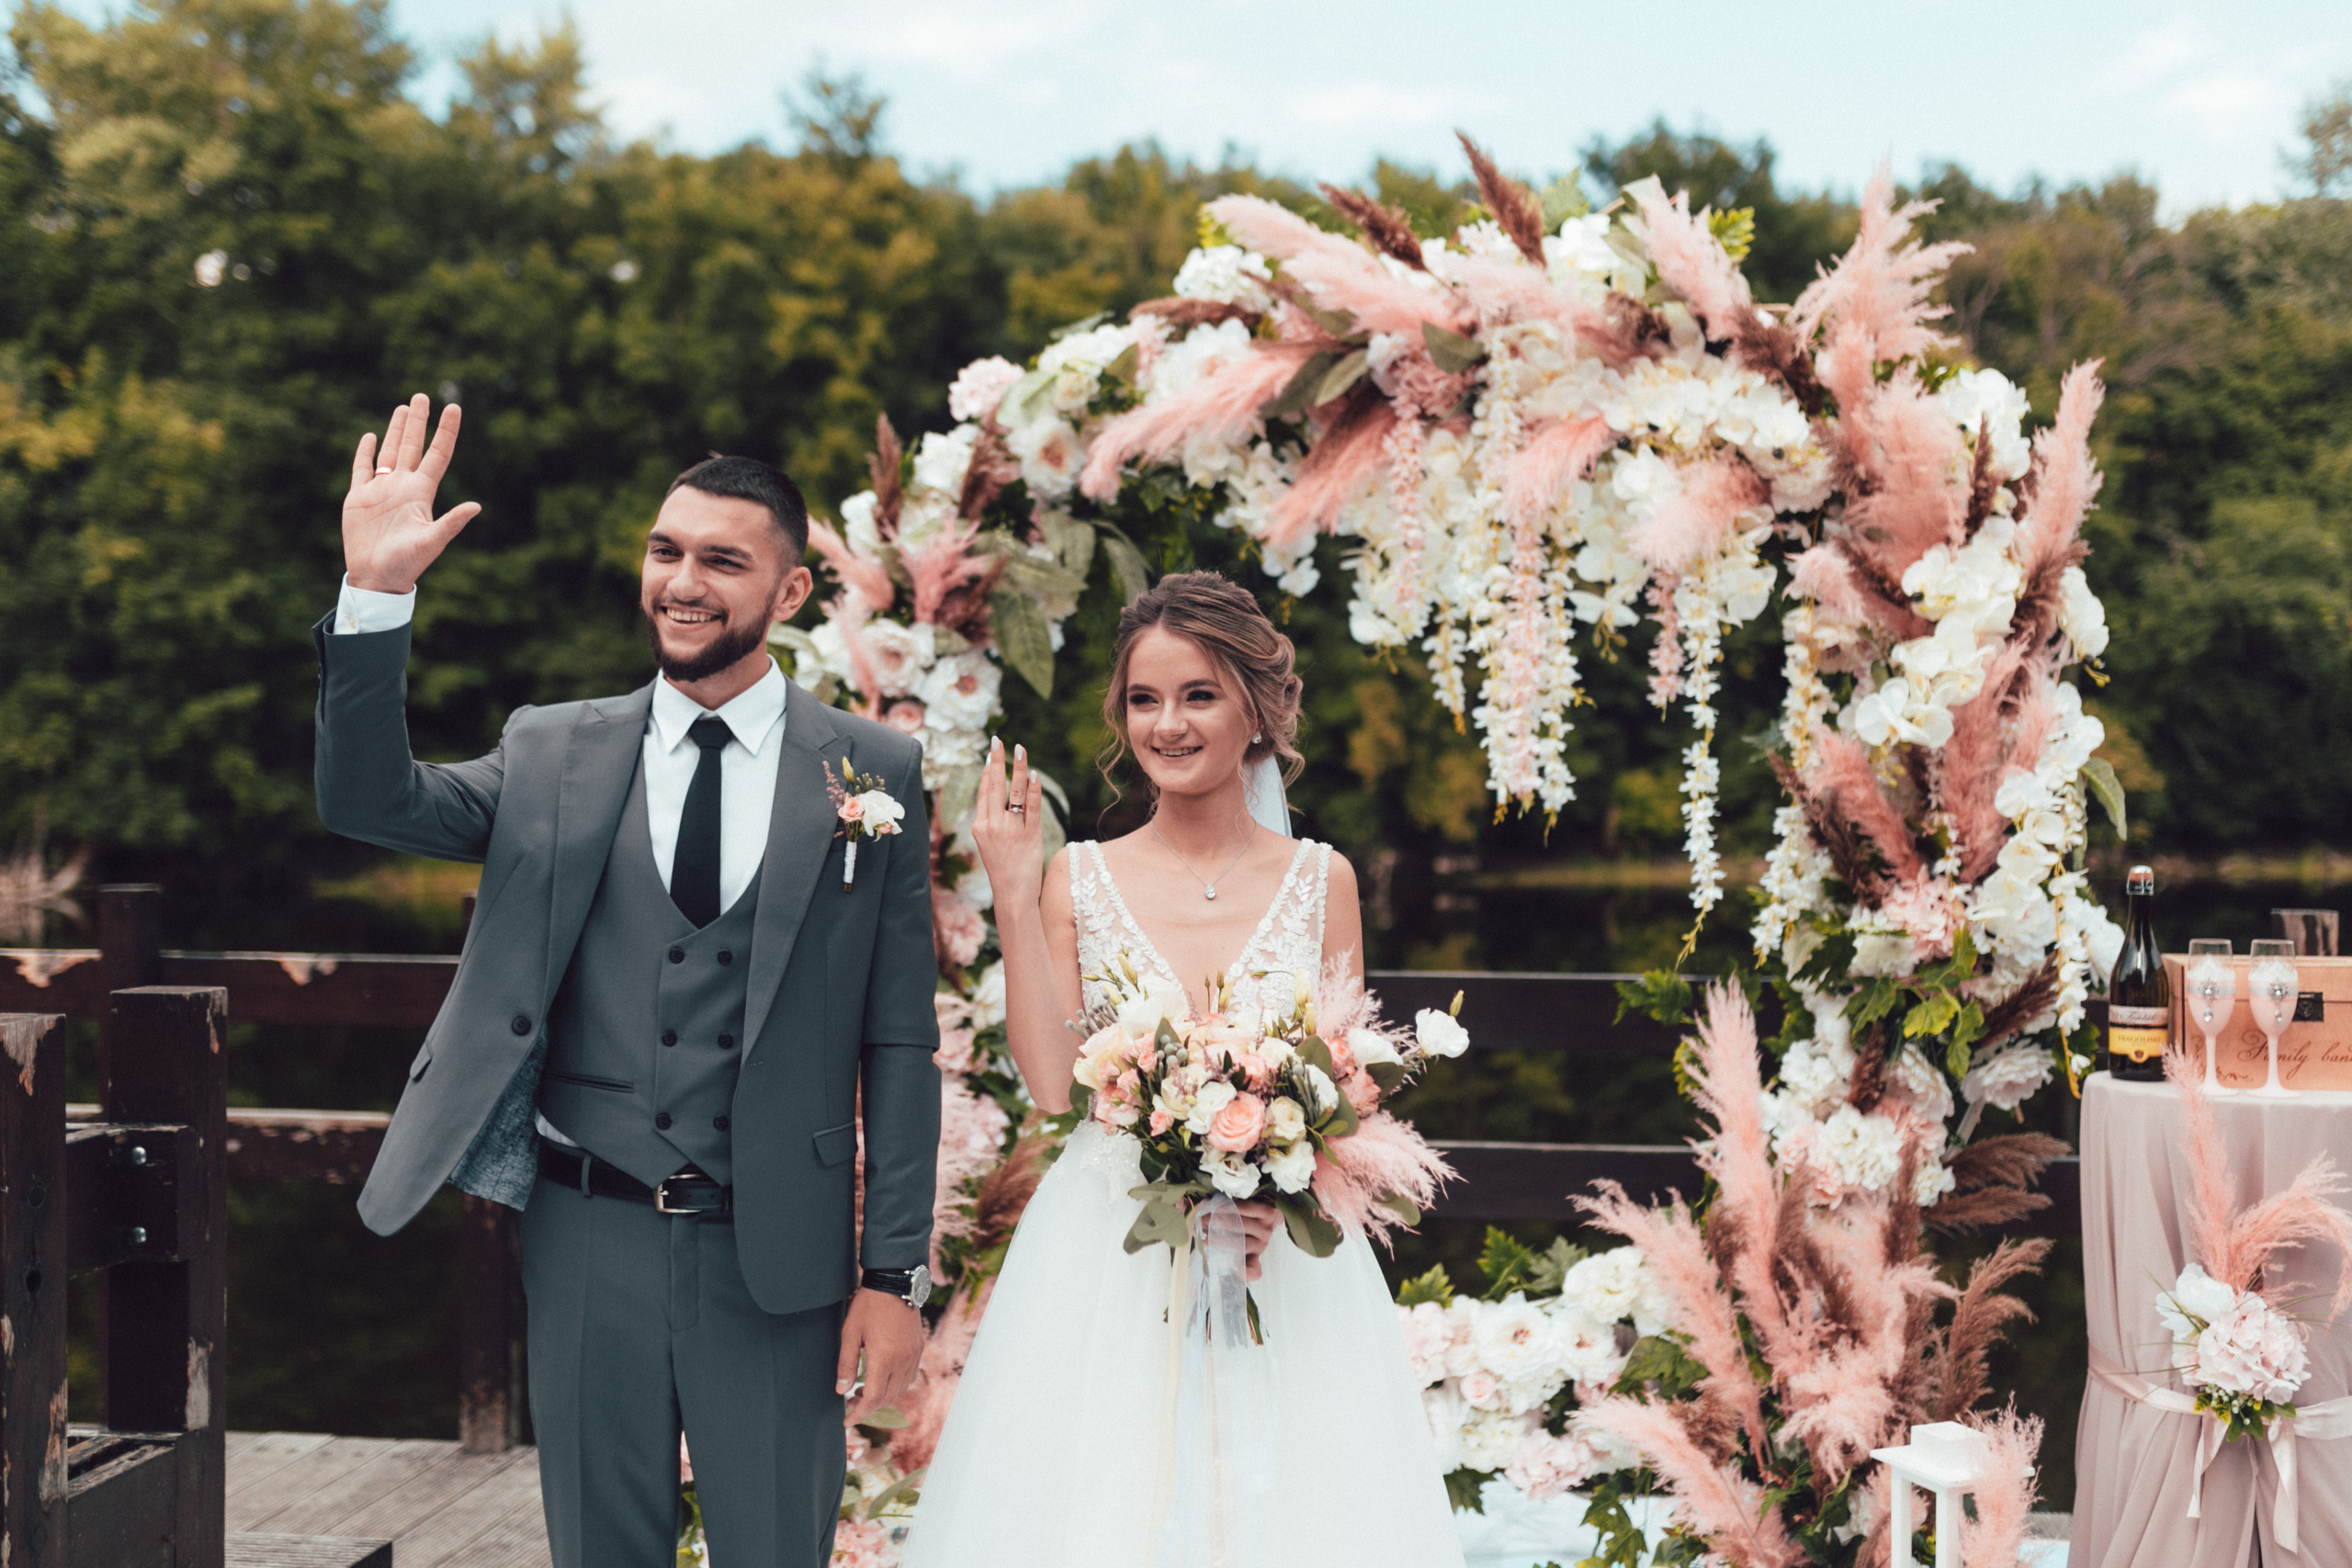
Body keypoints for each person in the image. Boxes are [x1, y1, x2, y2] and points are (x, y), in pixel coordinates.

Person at [313, 396, 942, 1568]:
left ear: (791, 593)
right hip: (588, 1231)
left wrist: (893, 1275)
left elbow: (899, 1040)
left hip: (780, 1250)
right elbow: (368, 800)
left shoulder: (874, 770)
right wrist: (375, 598)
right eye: (665, 551)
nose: (682, 583)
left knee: (776, 1550)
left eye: (721, 561)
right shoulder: (551, 749)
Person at [903, 570, 1464, 1567]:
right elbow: (1052, 1085)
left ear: (1256, 708)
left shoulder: (1322, 880)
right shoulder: (1078, 875)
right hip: (1109, 1244)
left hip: (1278, 1254)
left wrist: (1280, 1190)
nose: (1167, 724)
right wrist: (1012, 887)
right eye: (1144, 699)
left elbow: (1345, 1088)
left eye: (1198, 694)